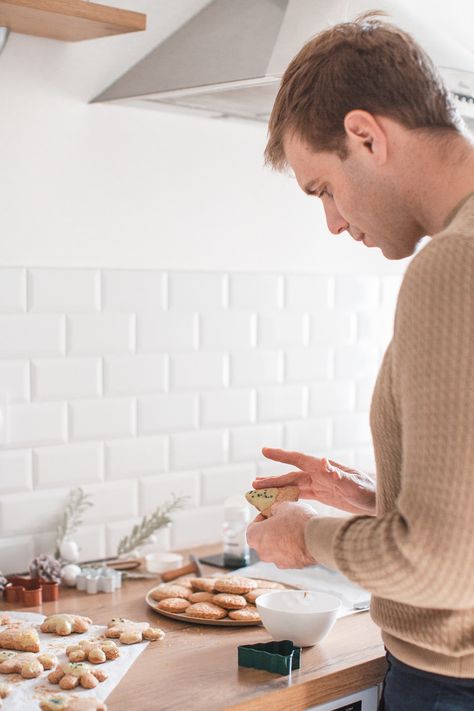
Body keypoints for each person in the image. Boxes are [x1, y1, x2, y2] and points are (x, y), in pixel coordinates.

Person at [246, 12, 474, 711]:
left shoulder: (454, 263)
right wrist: (372, 499)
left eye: (323, 189)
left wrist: (305, 535)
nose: (335, 223)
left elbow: (444, 565)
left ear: (366, 135)